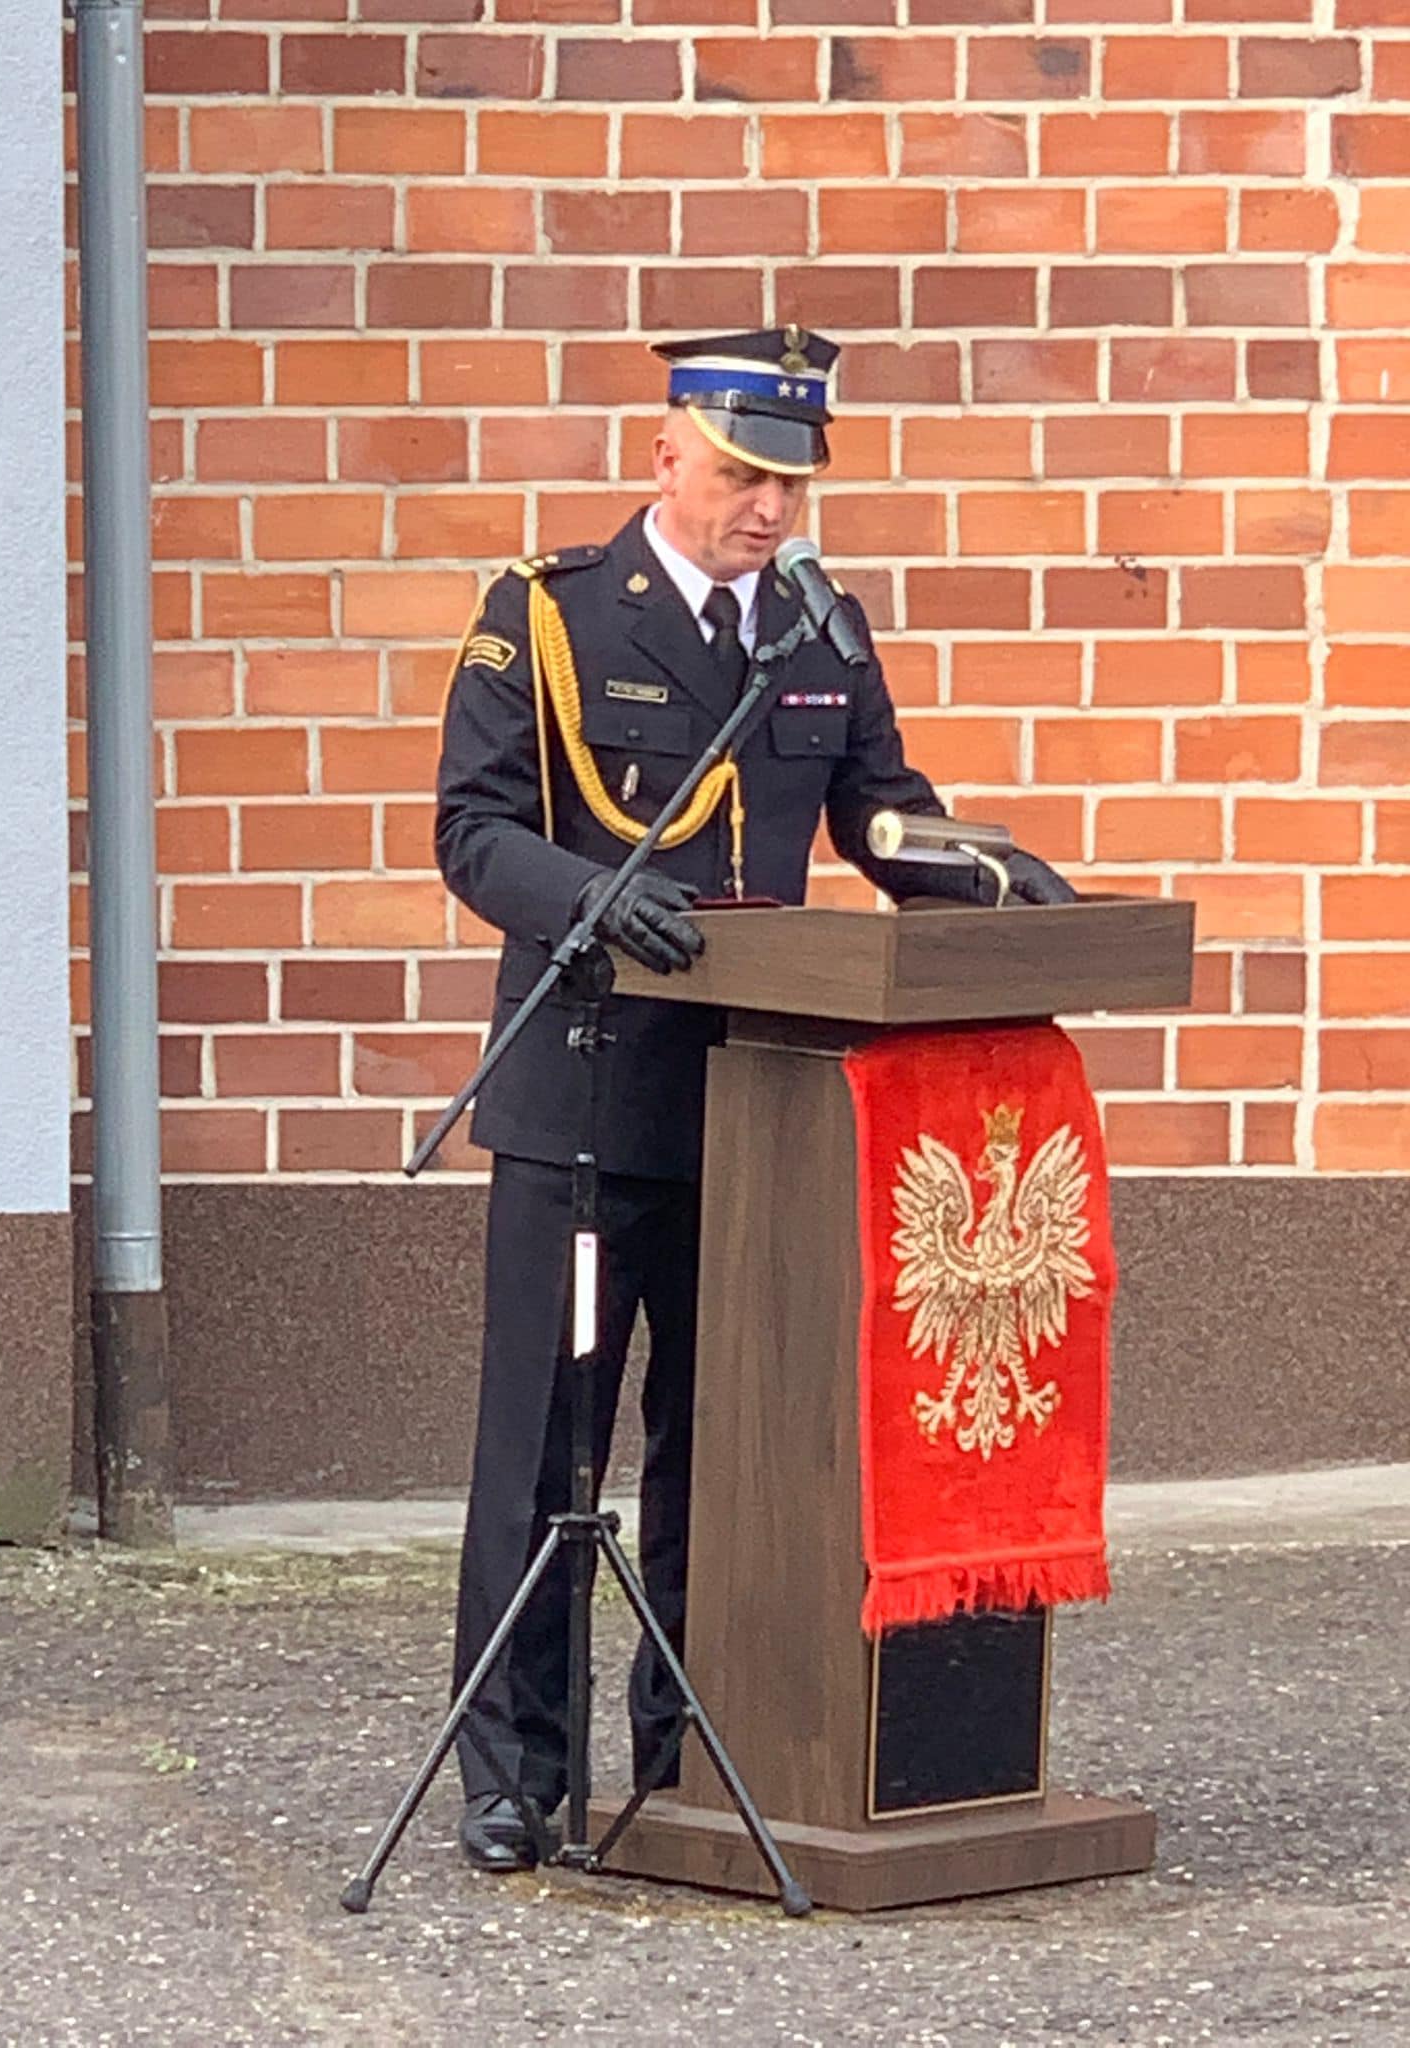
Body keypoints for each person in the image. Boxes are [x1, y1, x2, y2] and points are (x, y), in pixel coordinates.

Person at [434, 325, 1075, 1871]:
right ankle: (515, 1771)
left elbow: (879, 813)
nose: (769, 509)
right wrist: (594, 900)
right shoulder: (551, 615)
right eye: (740, 475)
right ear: (668, 456)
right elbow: (474, 829)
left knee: (720, 1455)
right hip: (587, 1100)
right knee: (549, 1451)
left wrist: (998, 881)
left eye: (791, 483)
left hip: (757, 1111)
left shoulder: (815, 629)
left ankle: (685, 1751)